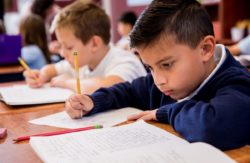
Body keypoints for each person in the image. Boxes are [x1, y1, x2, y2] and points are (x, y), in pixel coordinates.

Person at [65, 0, 250, 150]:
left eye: (167, 64)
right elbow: (129, 91)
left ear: (205, 49)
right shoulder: (166, 83)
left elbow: (213, 127)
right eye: (150, 68)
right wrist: (93, 101)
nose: (158, 80)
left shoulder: (237, 83)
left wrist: (164, 113)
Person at [23, 1, 147, 94]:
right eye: (61, 47)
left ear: (94, 43)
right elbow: (52, 69)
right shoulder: (83, 61)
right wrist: (41, 75)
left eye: (69, 47)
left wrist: (66, 82)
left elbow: (109, 86)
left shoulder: (124, 60)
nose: (62, 53)